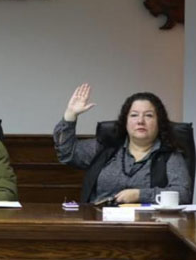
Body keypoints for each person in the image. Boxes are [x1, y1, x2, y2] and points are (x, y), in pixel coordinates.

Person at [54, 83, 192, 204]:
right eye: (134, 115)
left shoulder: (170, 156)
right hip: (99, 224)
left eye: (148, 115)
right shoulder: (105, 148)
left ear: (159, 122)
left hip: (146, 227)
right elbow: (67, 153)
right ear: (125, 121)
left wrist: (140, 195)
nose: (140, 121)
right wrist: (70, 115)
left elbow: (183, 194)